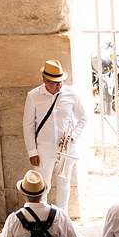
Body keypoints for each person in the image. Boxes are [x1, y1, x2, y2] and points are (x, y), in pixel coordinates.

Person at [23, 60, 88, 214]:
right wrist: (32, 152)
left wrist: (72, 137)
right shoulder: (33, 96)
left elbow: (83, 117)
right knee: (41, 186)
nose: (59, 86)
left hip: (66, 148)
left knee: (64, 183)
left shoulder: (71, 93)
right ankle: (43, 218)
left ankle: (63, 217)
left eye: (61, 82)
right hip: (44, 149)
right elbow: (28, 125)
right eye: (54, 83)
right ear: (44, 81)